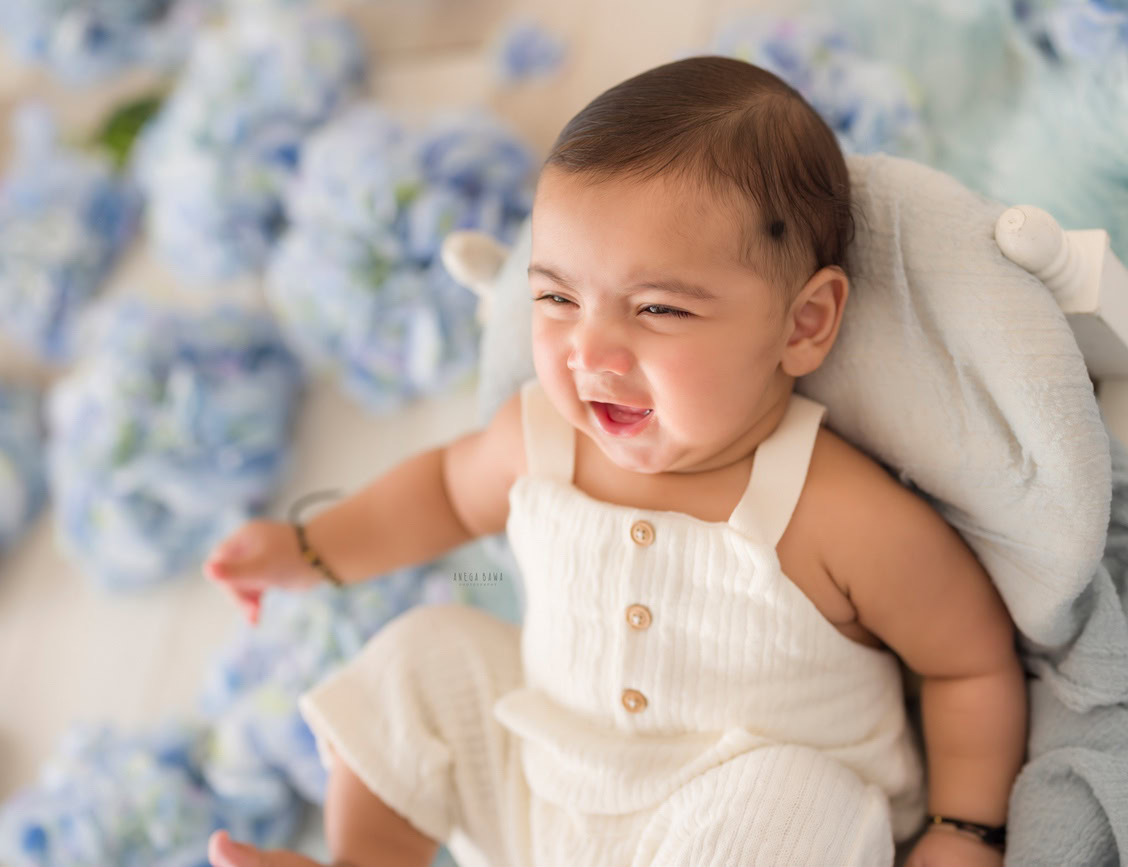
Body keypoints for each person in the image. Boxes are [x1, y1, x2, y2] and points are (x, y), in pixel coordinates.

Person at [203, 55, 1027, 867]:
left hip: (735, 827)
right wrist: (312, 549)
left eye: (657, 307)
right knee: (425, 653)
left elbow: (969, 662)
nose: (589, 350)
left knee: (803, 797)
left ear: (804, 324)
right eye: (557, 298)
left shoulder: (832, 509)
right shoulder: (544, 441)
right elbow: (445, 495)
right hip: (544, 797)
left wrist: (966, 827)